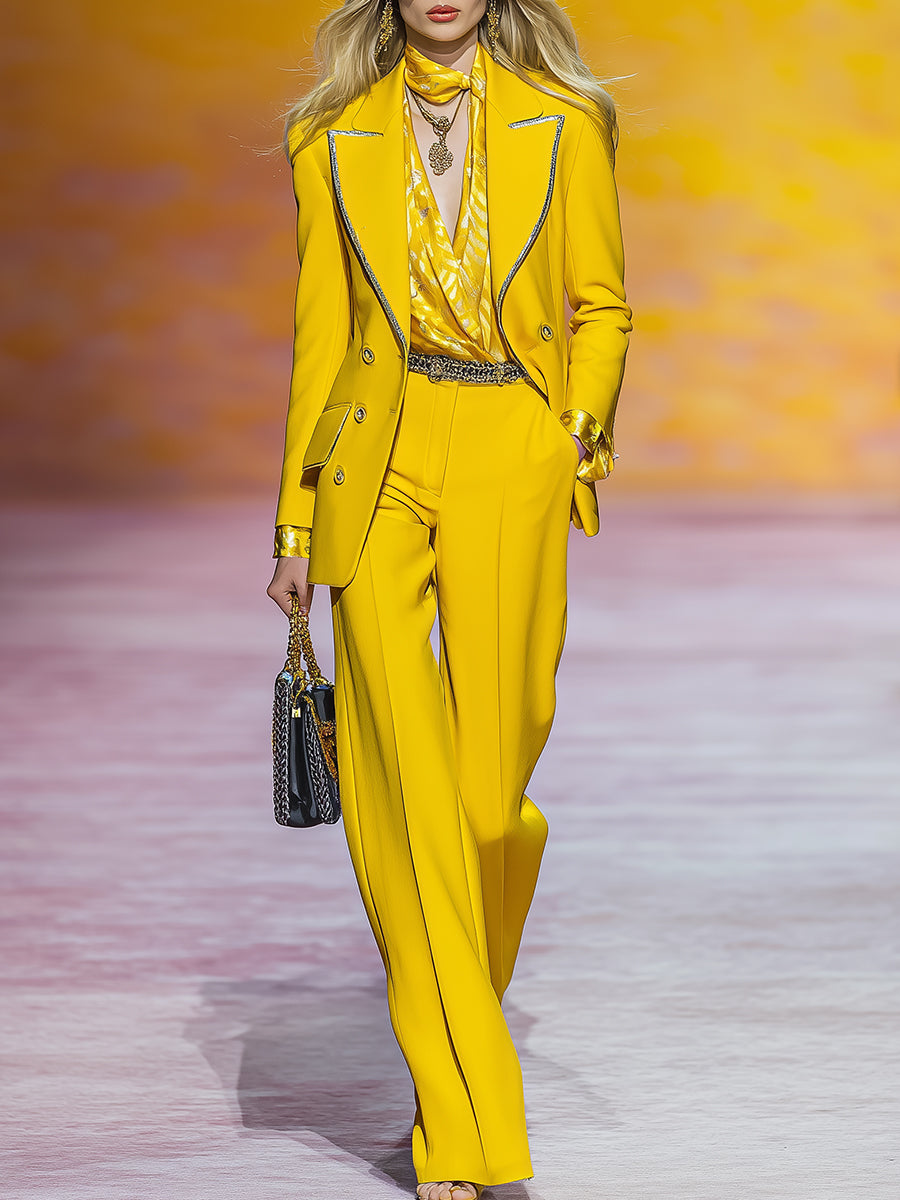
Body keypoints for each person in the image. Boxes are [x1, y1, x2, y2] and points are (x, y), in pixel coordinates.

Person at [266, 1, 631, 1196]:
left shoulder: (562, 123)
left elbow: (603, 303)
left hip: (512, 444)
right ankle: (462, 1124)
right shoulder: (330, 134)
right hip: (376, 458)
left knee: (482, 803)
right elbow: (321, 339)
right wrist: (295, 523)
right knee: (404, 793)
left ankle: (458, 1009)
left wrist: (572, 439)